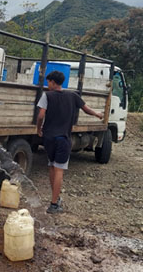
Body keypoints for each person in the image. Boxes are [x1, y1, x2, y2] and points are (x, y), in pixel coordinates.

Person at [36, 70, 103, 214]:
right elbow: (87, 109)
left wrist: (38, 128)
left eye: (48, 82)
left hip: (48, 138)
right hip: (63, 138)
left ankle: (55, 198)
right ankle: (54, 204)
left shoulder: (46, 96)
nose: (48, 85)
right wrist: (97, 114)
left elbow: (41, 115)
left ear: (53, 82)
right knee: (59, 169)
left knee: (52, 166)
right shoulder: (73, 95)